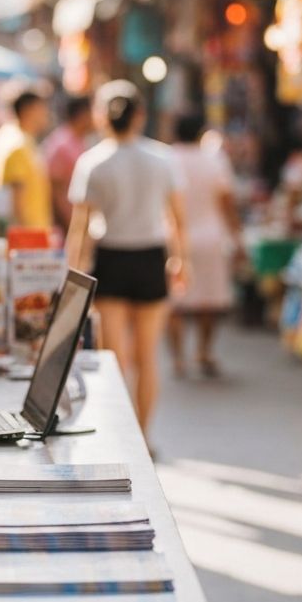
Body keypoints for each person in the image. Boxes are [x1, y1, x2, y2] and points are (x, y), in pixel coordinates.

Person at [65, 81, 186, 436]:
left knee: (114, 359)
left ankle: (122, 436)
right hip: (151, 257)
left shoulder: (92, 162)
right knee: (148, 358)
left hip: (112, 260)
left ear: (102, 116)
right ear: (140, 116)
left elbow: (80, 229)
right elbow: (178, 219)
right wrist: (182, 261)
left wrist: (72, 278)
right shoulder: (163, 159)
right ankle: (144, 437)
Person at [167, 114, 243, 378]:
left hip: (174, 238)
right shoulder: (214, 160)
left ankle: (178, 358)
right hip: (211, 237)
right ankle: (204, 351)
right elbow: (227, 203)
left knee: (175, 301)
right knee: (209, 300)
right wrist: (237, 237)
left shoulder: (166, 159)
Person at [0, 87, 52, 229]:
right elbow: (16, 201)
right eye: (43, 109)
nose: (47, 114)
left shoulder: (7, 136)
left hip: (24, 235)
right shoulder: (18, 145)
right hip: (27, 238)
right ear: (30, 110)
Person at [43, 94, 93, 232]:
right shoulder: (62, 144)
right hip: (66, 226)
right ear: (83, 114)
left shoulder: (78, 140)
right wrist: (69, 224)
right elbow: (55, 189)